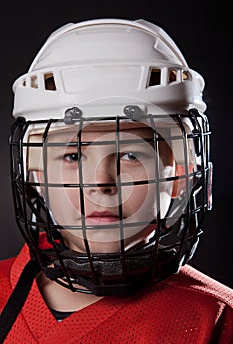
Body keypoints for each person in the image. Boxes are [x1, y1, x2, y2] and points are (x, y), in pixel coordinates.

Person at [0, 18, 232, 343]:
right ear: (37, 176)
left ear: (178, 178)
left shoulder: (216, 316)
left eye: (130, 155)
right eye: (73, 156)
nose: (102, 184)